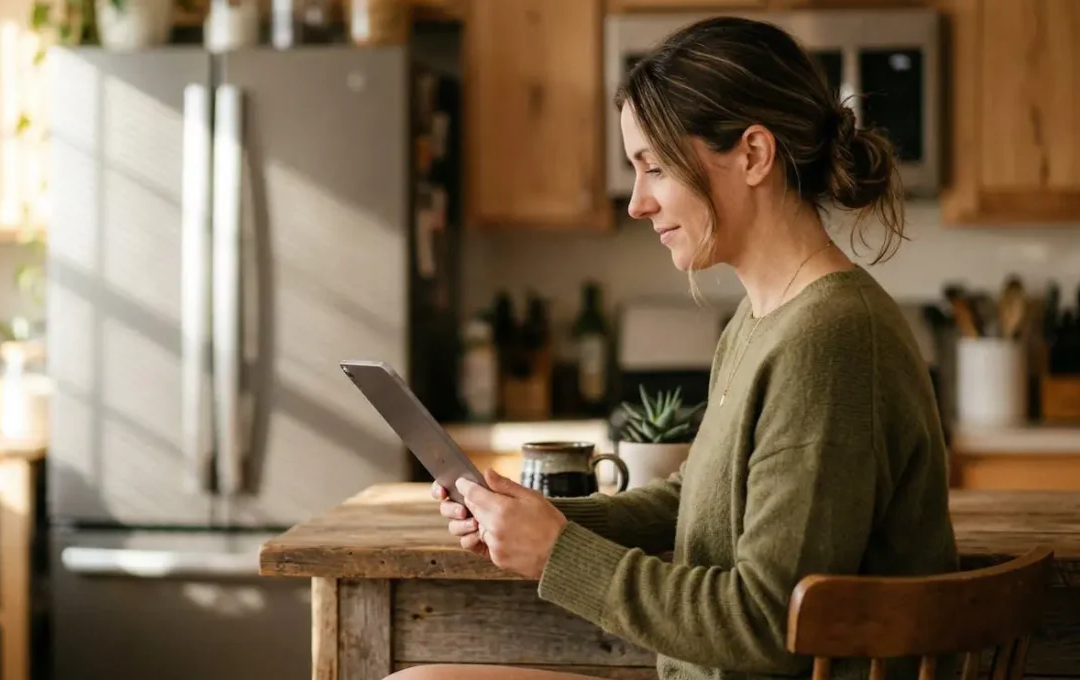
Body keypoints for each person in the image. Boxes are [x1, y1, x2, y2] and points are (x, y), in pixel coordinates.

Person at [387, 14, 958, 680]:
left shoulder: (831, 341)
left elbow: (771, 625)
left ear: (753, 155)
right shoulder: (764, 317)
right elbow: (693, 503)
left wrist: (558, 553)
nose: (637, 203)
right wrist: (538, 519)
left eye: (654, 167)